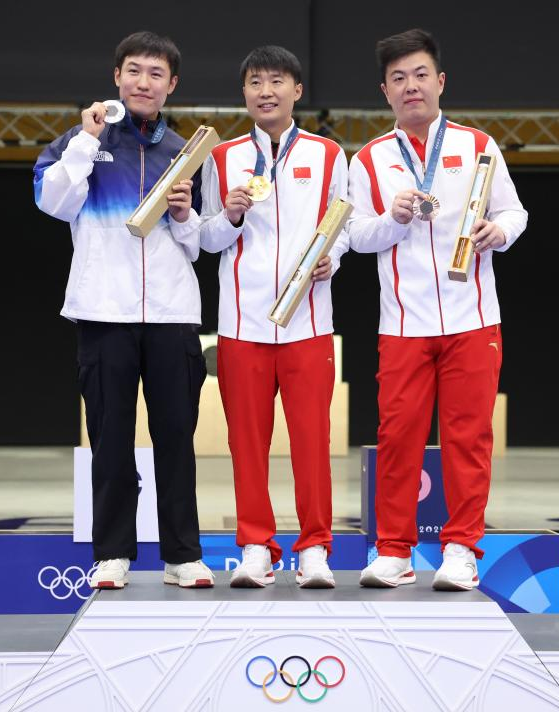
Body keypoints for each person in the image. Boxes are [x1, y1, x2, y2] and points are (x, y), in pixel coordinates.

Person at [347, 29, 528, 590]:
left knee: (468, 436)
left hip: (473, 317)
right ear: (385, 91)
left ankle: (460, 550)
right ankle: (394, 550)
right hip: (404, 322)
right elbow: (355, 236)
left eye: (420, 75)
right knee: (398, 435)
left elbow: (516, 213)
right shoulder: (372, 160)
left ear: (440, 81)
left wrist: (498, 232)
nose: (411, 87)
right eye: (398, 79)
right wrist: (392, 219)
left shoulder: (479, 145)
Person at [33, 31, 213, 589]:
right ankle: (112, 552)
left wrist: (183, 214)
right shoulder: (78, 141)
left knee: (176, 439)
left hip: (170, 314)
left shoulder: (187, 152)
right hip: (103, 314)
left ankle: (183, 554)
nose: (143, 82)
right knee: (110, 439)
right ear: (117, 77)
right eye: (134, 71)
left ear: (172, 85)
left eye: (155, 74)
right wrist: (85, 143)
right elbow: (52, 202)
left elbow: (200, 243)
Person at [198, 46, 349, 588]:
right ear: (244, 93)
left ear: (297, 91)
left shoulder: (330, 155)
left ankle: (314, 548)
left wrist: (336, 255)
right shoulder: (222, 158)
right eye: (256, 82)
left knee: (312, 440)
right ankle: (256, 544)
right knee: (247, 442)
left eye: (277, 81)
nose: (266, 91)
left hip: (309, 323)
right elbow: (206, 237)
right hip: (242, 325)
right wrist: (232, 214)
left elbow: (345, 223)